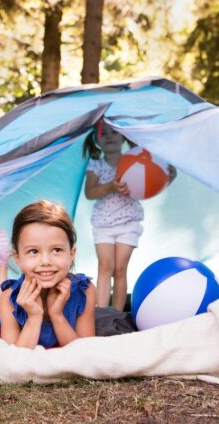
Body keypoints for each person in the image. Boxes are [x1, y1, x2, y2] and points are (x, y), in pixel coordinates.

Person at [0, 200, 96, 349]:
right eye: (33, 251)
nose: (45, 261)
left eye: (56, 250)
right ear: (17, 258)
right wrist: (34, 317)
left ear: (72, 253)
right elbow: (13, 362)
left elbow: (85, 353)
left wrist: (57, 315)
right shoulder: (8, 299)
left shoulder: (85, 291)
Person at [83, 121, 144, 311]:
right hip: (103, 224)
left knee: (120, 269)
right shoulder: (97, 165)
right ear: (97, 140)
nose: (109, 136)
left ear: (123, 136)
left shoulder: (133, 161)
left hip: (129, 222)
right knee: (105, 266)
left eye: (114, 133)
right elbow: (90, 193)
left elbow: (145, 185)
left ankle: (117, 314)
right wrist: (110, 185)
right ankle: (101, 311)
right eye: (104, 134)